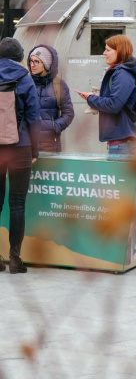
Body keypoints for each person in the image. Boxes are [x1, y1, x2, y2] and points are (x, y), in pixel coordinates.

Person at [0, 37, 40, 273]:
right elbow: (34, 118)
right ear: (20, 57)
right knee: (17, 203)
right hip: (20, 147)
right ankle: (15, 258)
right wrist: (35, 150)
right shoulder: (25, 79)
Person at [75, 35, 136, 156]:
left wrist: (91, 99)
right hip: (122, 142)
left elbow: (114, 105)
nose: (104, 53)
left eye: (108, 50)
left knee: (120, 176)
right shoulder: (122, 72)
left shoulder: (123, 74)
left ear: (120, 51)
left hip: (123, 144)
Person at [27, 45, 74, 152]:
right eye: (31, 61)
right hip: (28, 144)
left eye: (36, 61)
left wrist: (54, 127)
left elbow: (69, 113)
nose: (32, 65)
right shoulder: (26, 83)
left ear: (46, 64)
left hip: (50, 144)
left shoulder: (58, 84)